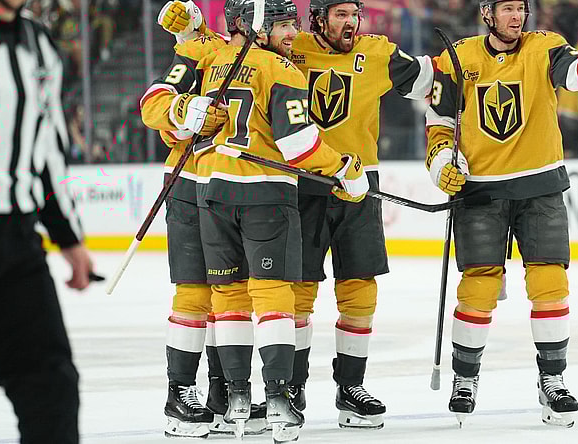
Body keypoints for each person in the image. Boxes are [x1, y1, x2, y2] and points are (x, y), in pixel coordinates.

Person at [161, 0, 435, 428]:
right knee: (295, 291)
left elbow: (436, 82)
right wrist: (191, 36)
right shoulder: (288, 48)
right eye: (340, 14)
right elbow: (230, 47)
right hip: (301, 179)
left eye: (355, 14)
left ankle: (350, 387)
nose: (351, 23)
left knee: (360, 289)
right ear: (319, 19)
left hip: (357, 179)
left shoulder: (379, 53)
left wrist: (449, 135)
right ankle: (289, 388)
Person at [426, 0, 578, 427]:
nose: (516, 17)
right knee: (478, 288)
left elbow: (574, 73)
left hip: (540, 185)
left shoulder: (544, 47)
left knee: (549, 281)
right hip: (481, 190)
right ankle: (465, 379)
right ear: (487, 14)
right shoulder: (460, 56)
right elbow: (440, 120)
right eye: (507, 10)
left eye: (521, 9)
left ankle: (552, 380)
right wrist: (441, 160)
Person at [0, 0, 96, 441]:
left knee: (52, 383)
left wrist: (68, 237)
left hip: (16, 240)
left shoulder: (39, 45)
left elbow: (46, 153)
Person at [141, 2, 267, 437]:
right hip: (192, 183)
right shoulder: (199, 49)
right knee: (196, 289)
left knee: (232, 291)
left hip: (237, 187)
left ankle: (221, 393)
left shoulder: (273, 55)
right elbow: (154, 101)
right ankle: (180, 395)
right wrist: (182, 113)